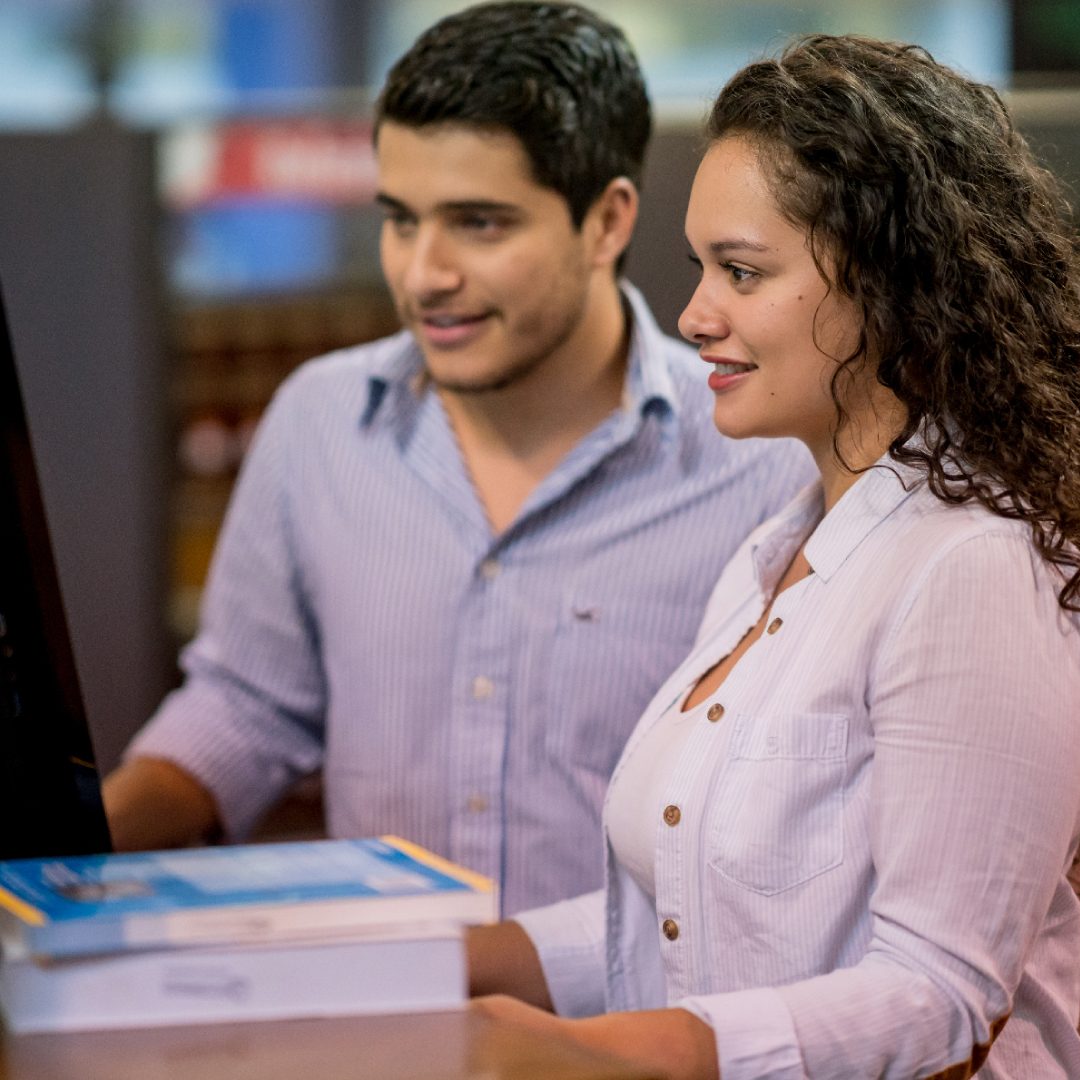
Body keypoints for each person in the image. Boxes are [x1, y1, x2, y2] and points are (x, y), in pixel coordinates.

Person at [101, 2, 811, 917]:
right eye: (401, 220)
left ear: (606, 222)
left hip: (631, 1045)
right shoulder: (320, 422)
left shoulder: (762, 464)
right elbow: (245, 708)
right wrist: (60, 857)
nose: (423, 273)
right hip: (381, 1022)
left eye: (479, 224)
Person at [467, 33, 1080, 1079]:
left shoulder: (968, 566)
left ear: (888, 283)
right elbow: (702, 913)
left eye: (741, 272)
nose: (696, 315)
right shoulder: (775, 550)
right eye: (703, 268)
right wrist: (447, 963)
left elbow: (940, 996)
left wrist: (607, 1057)